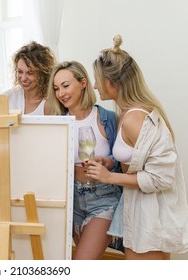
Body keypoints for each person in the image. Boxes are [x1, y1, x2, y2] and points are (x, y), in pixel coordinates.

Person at [87, 35, 188, 259]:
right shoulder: (125, 114)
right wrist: (111, 161)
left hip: (151, 217)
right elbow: (138, 158)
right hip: (137, 212)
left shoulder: (136, 119)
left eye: (97, 80)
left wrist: (109, 177)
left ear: (115, 83)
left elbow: (162, 178)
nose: (94, 85)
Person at [45, 61, 122, 259]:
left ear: (83, 83)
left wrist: (108, 161)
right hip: (71, 199)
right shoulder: (57, 123)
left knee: (82, 261)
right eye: (56, 88)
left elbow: (124, 159)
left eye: (65, 85)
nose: (61, 93)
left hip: (103, 198)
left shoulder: (108, 118)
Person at [4, 41, 57, 115]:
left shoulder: (50, 103)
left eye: (30, 73)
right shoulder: (8, 98)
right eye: (20, 72)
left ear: (43, 74)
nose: (23, 78)